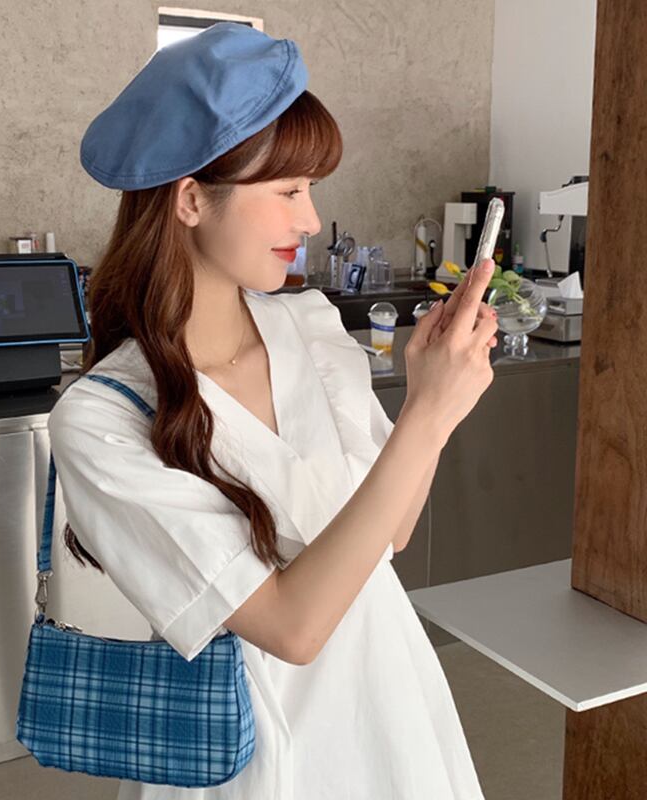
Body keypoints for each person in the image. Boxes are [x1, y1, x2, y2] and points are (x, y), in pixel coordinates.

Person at [48, 21, 498, 800]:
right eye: (288, 191)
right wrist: (427, 415)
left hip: (391, 707)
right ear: (192, 199)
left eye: (311, 190)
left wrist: (435, 396)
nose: (311, 220)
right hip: (252, 752)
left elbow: (390, 534)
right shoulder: (102, 418)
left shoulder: (310, 325)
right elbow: (292, 628)